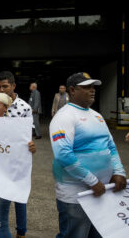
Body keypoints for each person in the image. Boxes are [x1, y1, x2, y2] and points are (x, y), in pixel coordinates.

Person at [49, 72, 127, 238]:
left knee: (98, 234)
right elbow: (63, 155)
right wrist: (91, 180)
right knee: (75, 234)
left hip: (102, 191)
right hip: (76, 193)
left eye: (93, 87)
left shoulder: (96, 116)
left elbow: (111, 147)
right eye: (86, 87)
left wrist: (119, 171)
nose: (92, 90)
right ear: (72, 90)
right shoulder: (64, 116)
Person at [0, 92, 36, 238]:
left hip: (3, 179)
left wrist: (30, 148)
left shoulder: (15, 127)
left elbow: (24, 149)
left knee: (0, 222)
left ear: (5, 108)